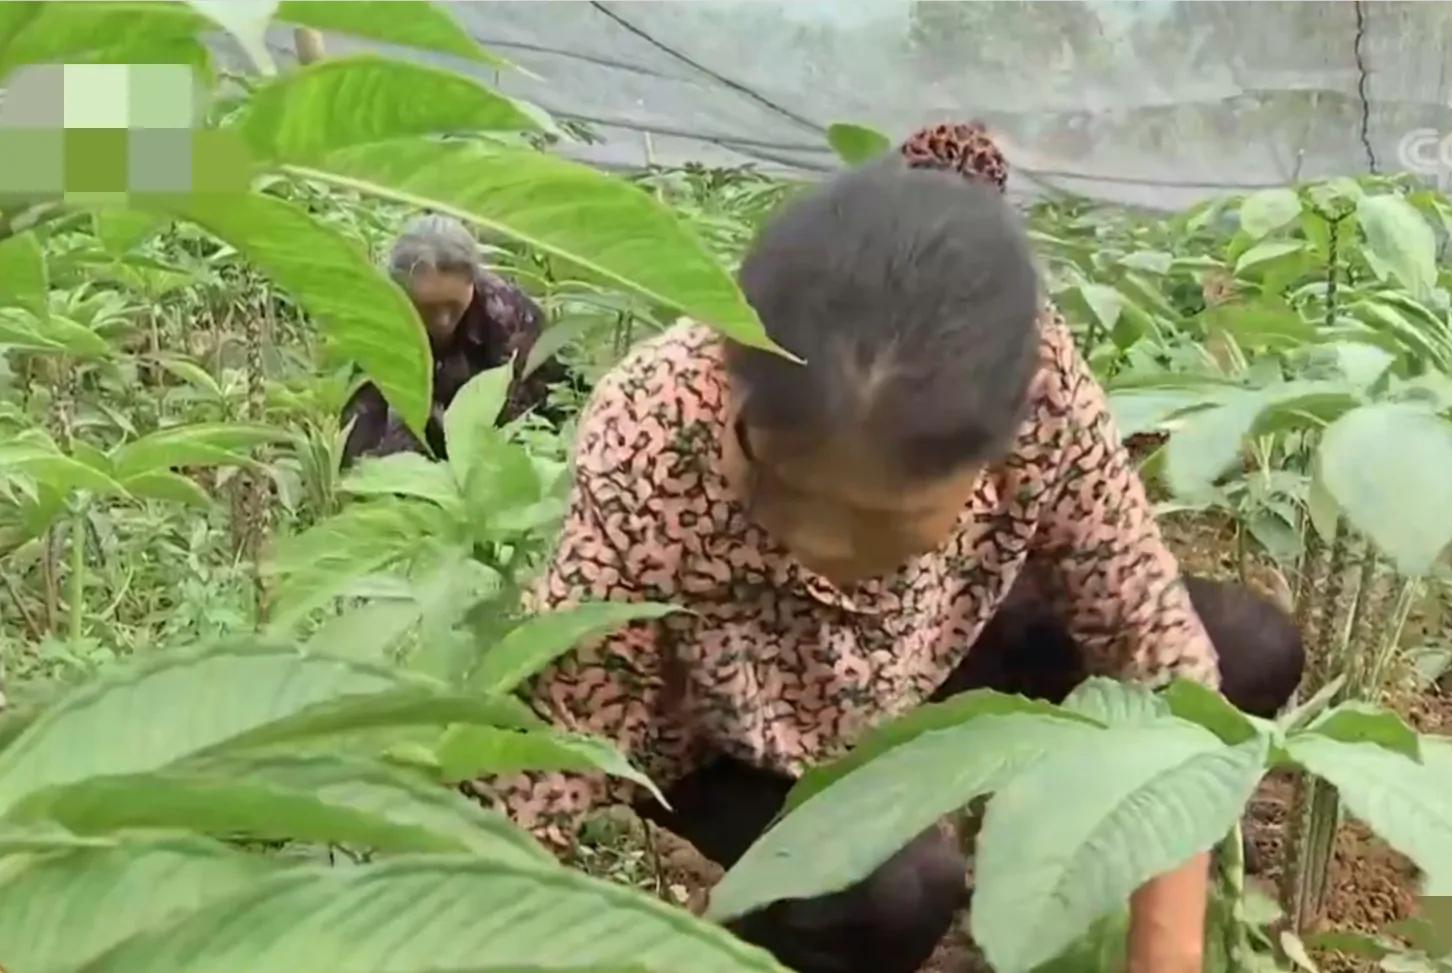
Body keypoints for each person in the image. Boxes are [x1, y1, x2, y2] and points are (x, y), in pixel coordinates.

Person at [470, 123, 1304, 973]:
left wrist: (1165, 948)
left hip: (933, 655)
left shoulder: (1033, 381)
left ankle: (1032, 860)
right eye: (789, 491)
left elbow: (1154, 652)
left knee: (1248, 649)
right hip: (736, 725)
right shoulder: (653, 422)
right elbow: (558, 738)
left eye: (881, 521)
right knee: (891, 889)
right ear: (738, 372)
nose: (821, 549)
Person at [339, 214, 573, 466]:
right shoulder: (382, 317)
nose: (442, 321)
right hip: (423, 427)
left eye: (453, 305)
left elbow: (527, 418)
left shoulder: (508, 317)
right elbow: (361, 413)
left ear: (471, 283)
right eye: (427, 307)